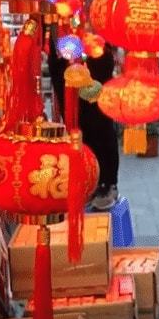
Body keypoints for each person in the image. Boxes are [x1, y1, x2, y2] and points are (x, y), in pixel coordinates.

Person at [48, 38, 120, 211]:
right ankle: (85, 180)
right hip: (65, 46)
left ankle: (106, 182)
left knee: (99, 121)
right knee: (76, 124)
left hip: (94, 46)